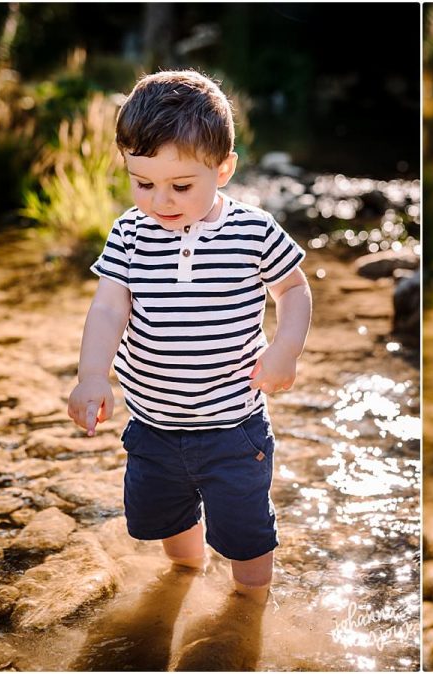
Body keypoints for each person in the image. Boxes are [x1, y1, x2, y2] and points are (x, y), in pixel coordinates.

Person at [67, 70, 312, 604]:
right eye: (143, 182)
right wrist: (91, 376)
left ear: (223, 169)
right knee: (171, 535)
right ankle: (184, 586)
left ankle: (248, 615)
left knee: (248, 542)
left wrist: (284, 350)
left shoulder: (253, 230)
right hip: (153, 428)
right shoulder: (130, 232)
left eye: (181, 186)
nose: (161, 200)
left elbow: (293, 290)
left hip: (232, 430)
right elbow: (109, 306)